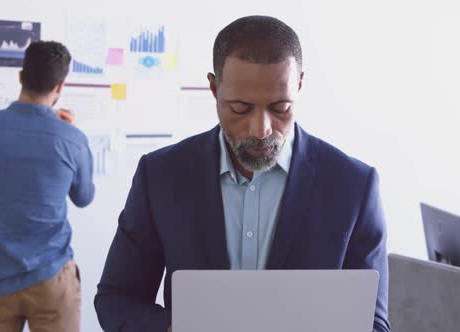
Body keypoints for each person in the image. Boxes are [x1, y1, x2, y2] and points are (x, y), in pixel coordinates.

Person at [95, 15, 390, 332]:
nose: (261, 129)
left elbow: (373, 322)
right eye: (240, 108)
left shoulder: (353, 186)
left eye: (280, 108)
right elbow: (117, 298)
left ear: (300, 85)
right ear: (213, 88)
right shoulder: (161, 176)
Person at [0, 41, 94, 332]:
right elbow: (84, 197)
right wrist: (74, 137)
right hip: (52, 280)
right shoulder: (71, 138)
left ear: (21, 77)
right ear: (60, 86)